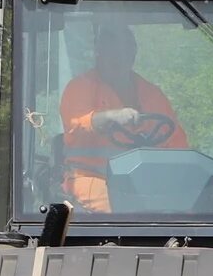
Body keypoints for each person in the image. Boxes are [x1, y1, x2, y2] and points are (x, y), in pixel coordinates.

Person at [59, 17, 187, 211]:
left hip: (146, 183)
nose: (118, 58)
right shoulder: (80, 88)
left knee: (193, 205)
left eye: (124, 52)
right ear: (98, 54)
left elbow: (177, 145)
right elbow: (77, 124)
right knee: (124, 207)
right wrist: (110, 117)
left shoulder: (152, 95)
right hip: (92, 178)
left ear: (133, 55)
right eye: (111, 52)